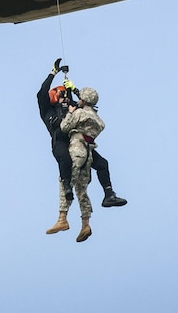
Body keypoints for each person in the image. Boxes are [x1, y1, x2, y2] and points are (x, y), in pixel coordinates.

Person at [38, 61, 126, 240]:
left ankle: (105, 197)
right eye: (60, 94)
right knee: (66, 162)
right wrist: (53, 73)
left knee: (100, 164)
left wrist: (70, 84)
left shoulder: (71, 105)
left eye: (64, 94)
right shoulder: (48, 110)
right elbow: (41, 94)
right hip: (60, 140)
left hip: (77, 141)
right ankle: (65, 201)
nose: (63, 97)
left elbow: (85, 102)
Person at [59, 85, 106, 242]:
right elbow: (86, 103)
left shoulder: (79, 113)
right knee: (82, 189)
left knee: (66, 181)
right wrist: (74, 89)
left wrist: (70, 113)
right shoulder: (97, 119)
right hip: (89, 154)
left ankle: (62, 218)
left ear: (84, 100)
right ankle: (86, 224)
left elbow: (64, 127)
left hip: (77, 148)